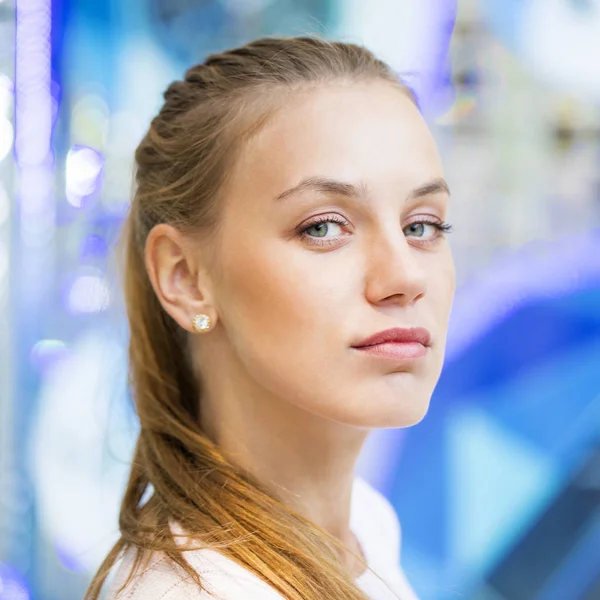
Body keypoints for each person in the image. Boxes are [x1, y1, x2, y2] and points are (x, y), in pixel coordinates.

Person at [85, 35, 455, 600]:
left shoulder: (369, 527)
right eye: (324, 227)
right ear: (185, 278)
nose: (404, 277)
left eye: (421, 225)